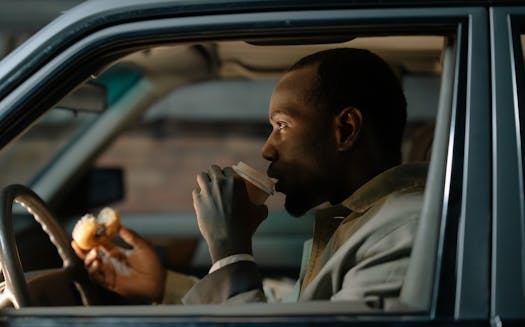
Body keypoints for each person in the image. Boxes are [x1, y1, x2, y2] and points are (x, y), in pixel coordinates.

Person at [72, 48, 427, 309]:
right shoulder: (363, 222)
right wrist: (163, 285)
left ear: (345, 130)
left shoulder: (403, 232)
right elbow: (291, 310)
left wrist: (230, 250)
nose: (268, 150)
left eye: (282, 126)